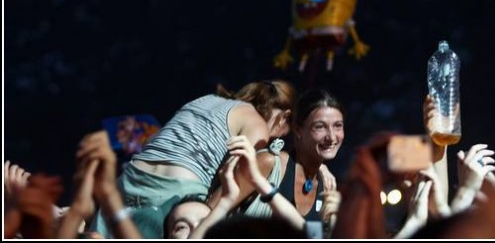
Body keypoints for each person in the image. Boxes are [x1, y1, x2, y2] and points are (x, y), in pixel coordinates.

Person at [91, 79, 296, 237]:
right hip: (175, 191)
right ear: (284, 117)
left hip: (130, 178)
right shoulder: (257, 124)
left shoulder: (205, 99)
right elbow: (234, 180)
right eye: (281, 134)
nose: (276, 139)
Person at [237, 88, 344, 231]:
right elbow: (211, 212)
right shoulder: (270, 164)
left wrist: (337, 221)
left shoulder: (327, 186)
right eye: (320, 126)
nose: (331, 137)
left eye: (338, 126)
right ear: (298, 130)